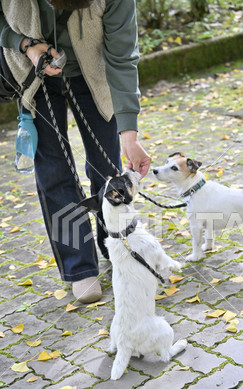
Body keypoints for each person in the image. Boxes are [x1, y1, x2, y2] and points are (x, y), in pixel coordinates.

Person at [0, 0, 151, 303]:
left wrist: (130, 134)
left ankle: (116, 245)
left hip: (93, 72)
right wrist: (24, 44)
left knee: (105, 168)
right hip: (33, 74)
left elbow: (121, 58)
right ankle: (80, 268)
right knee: (55, 173)